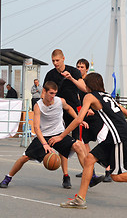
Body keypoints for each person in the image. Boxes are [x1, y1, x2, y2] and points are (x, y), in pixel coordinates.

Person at [48, 73, 127, 209]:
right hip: (115, 135)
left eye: (85, 83)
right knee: (89, 159)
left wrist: (61, 136)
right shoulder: (107, 96)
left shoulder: (89, 96)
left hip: (119, 136)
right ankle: (80, 199)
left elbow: (79, 119)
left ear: (89, 85)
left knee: (117, 176)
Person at [0, 81, 104, 189]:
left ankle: (91, 177)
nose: (53, 96)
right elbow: (36, 128)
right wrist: (45, 144)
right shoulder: (38, 106)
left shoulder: (60, 101)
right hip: (44, 136)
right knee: (24, 157)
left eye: (55, 93)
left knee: (78, 146)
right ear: (44, 91)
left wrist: (78, 119)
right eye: (51, 93)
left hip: (58, 134)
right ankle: (8, 177)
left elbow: (68, 108)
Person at [43, 49, 90, 189]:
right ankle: (66, 176)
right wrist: (48, 104)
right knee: (63, 145)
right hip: (58, 112)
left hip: (73, 110)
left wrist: (71, 79)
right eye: (53, 61)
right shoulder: (50, 75)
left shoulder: (73, 71)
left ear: (63, 58)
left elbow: (84, 88)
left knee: (79, 143)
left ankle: (89, 173)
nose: (55, 63)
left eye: (57, 60)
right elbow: (43, 94)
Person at [75, 58, 112, 182]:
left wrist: (92, 109)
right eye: (78, 67)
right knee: (84, 142)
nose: (79, 69)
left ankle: (108, 170)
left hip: (96, 117)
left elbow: (99, 98)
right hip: (85, 117)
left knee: (103, 142)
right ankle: (90, 169)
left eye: (81, 67)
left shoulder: (90, 83)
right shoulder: (78, 83)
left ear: (86, 69)